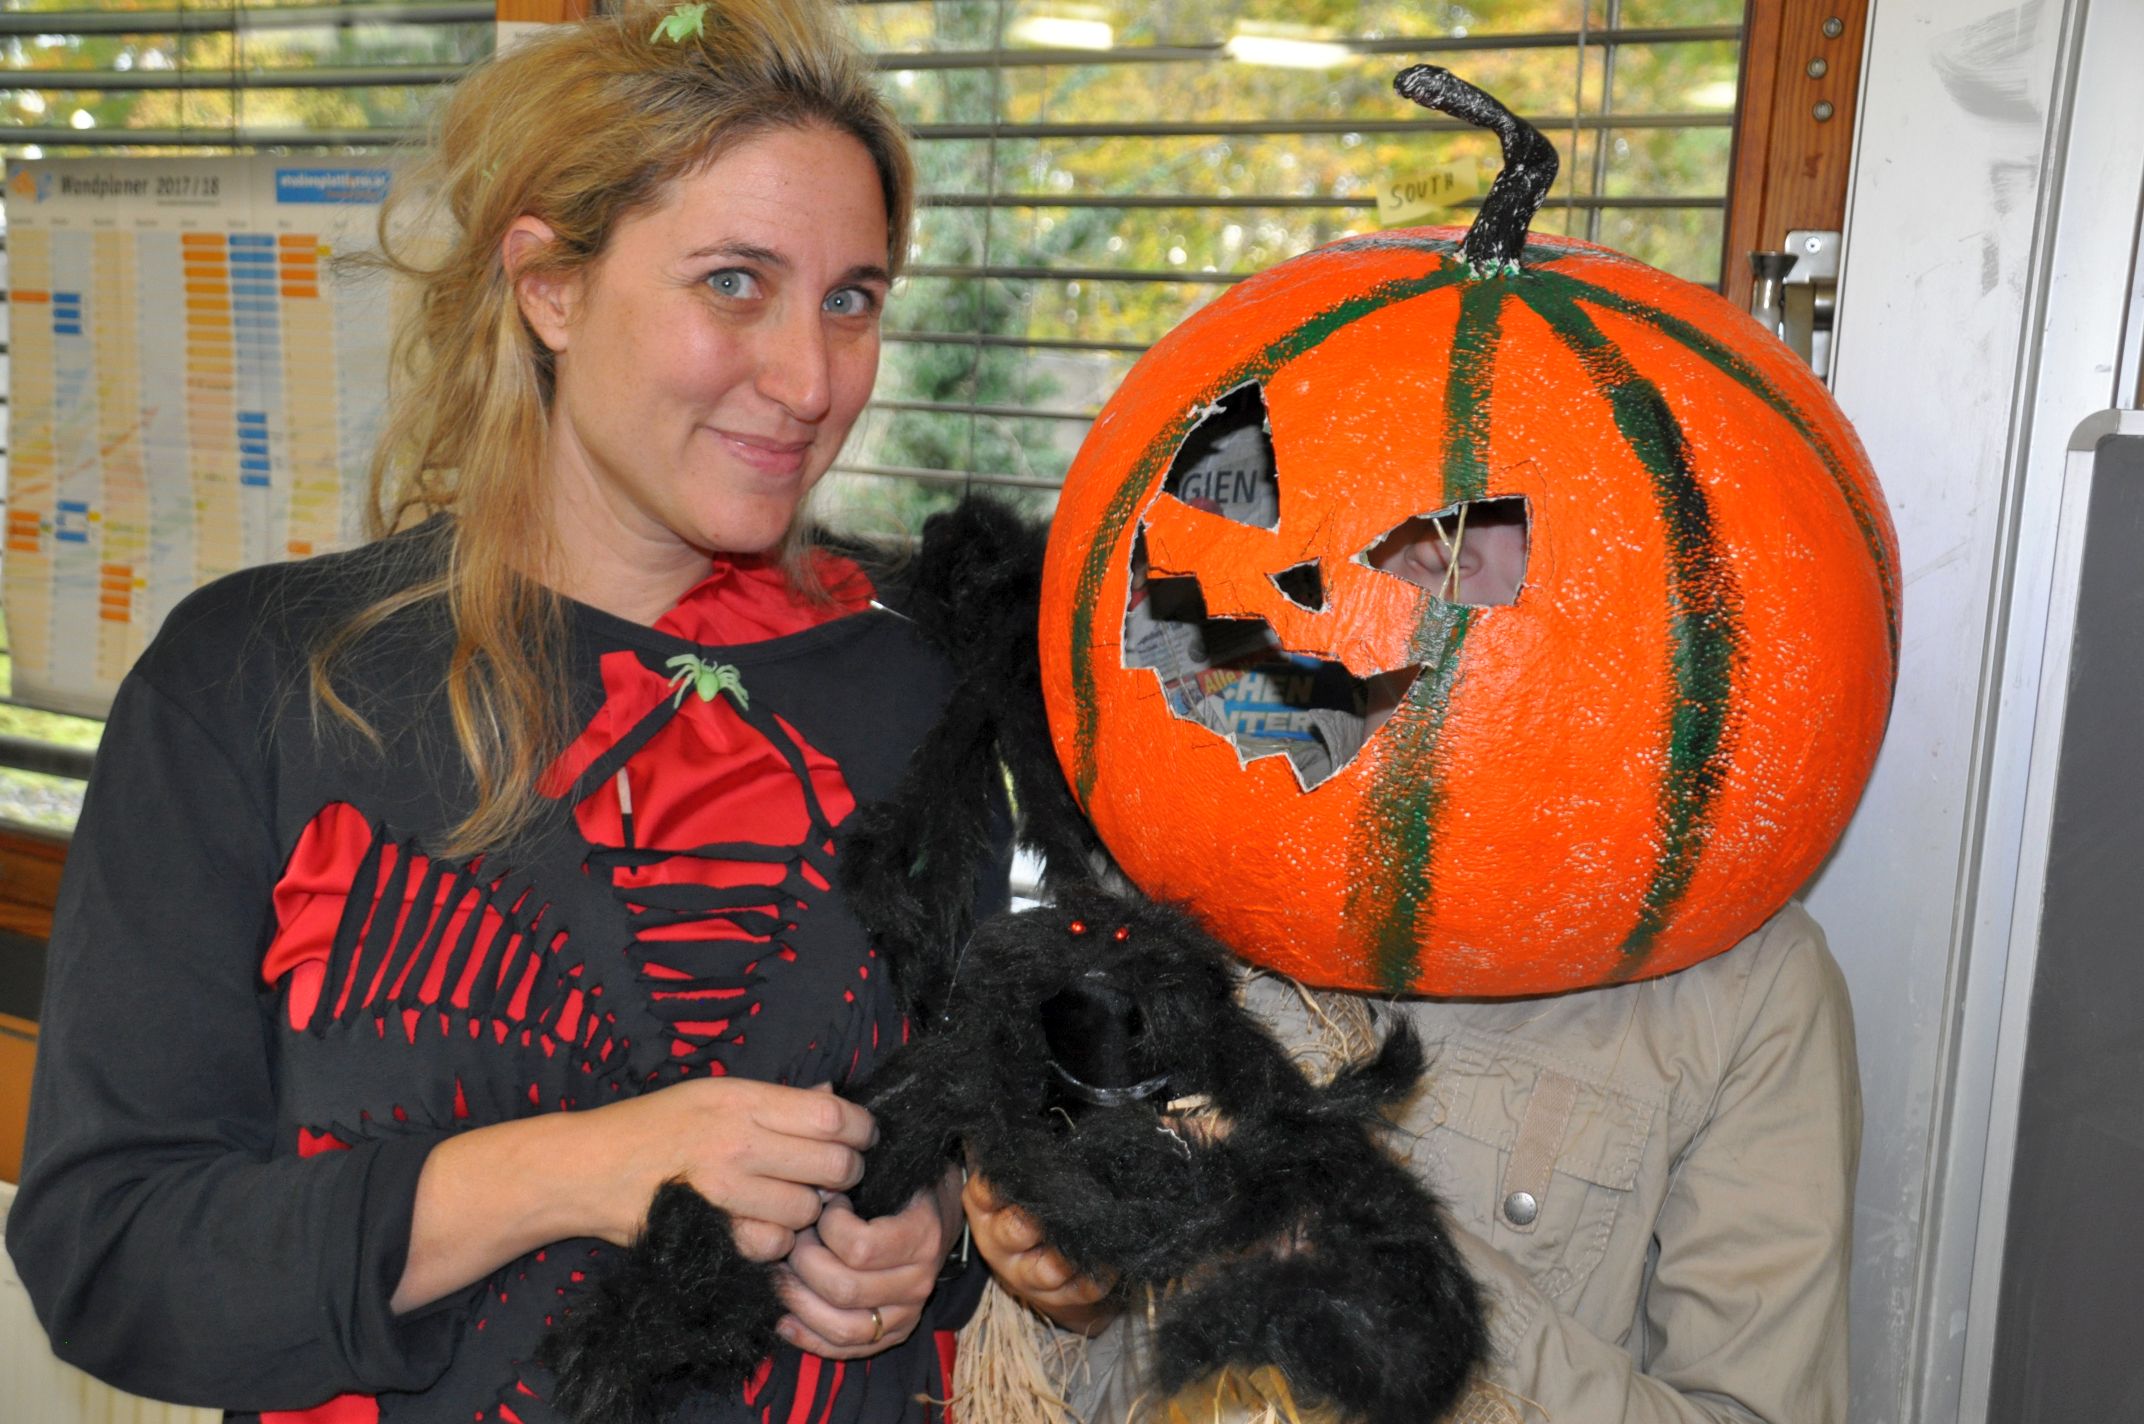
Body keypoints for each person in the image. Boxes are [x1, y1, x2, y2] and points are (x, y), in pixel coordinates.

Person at [5, 4, 998, 1421]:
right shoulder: (254, 683)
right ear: (549, 287)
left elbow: (981, 1118)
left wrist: (938, 1238)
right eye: (733, 283)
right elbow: (113, 1260)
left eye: (852, 298)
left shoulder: (918, 693)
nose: (809, 379)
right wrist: (578, 1168)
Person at [962, 503, 1862, 1423]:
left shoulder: (1744, 983)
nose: (1432, 545)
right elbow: (1076, 1371)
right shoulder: (1165, 866)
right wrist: (1065, 1293)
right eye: (1401, 503)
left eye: (1492, 509)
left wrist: (1396, 1261)